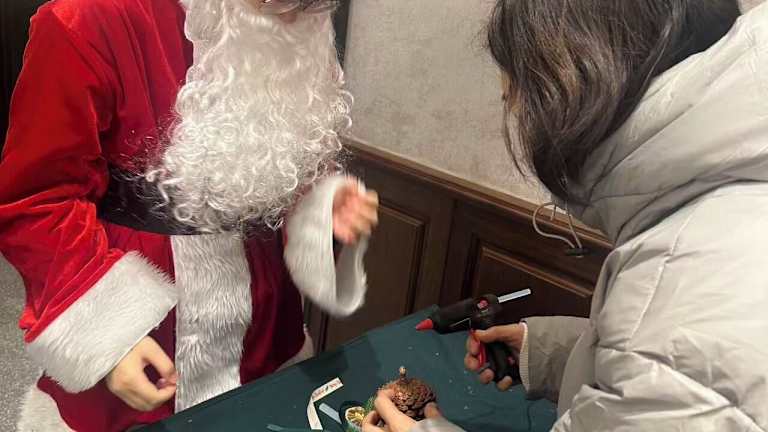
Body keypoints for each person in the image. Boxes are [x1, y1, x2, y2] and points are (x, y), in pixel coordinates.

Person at [365, 0, 768, 430]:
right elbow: (660, 371)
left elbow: (665, 362)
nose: (520, 124)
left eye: (515, 101)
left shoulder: (685, 296)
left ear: (566, 92)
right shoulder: (722, 214)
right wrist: (559, 354)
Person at [0, 0, 379, 430]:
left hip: (266, 335)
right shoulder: (89, 16)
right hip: (145, 342)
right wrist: (109, 335)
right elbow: (37, 198)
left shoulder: (305, 16)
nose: (295, 13)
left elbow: (283, 162)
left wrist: (317, 211)